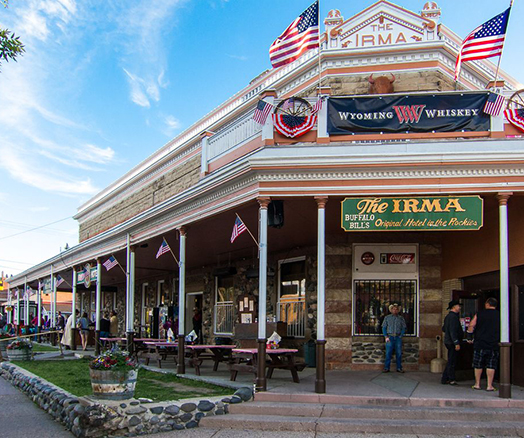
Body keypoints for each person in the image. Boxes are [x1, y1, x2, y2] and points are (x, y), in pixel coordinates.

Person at [467, 297, 500, 392]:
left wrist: (469, 337)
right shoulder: (500, 315)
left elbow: (471, 325)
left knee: (478, 364)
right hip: (493, 343)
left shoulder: (480, 314)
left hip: (480, 343)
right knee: (491, 365)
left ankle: (477, 384)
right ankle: (489, 385)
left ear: (487, 304)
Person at [441, 300, 463, 386]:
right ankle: (451, 378)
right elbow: (452, 331)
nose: (460, 307)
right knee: (452, 361)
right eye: (458, 306)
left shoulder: (448, 317)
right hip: (451, 342)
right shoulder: (453, 317)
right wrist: (456, 342)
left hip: (448, 341)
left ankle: (445, 378)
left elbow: (444, 328)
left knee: (451, 360)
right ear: (454, 307)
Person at [382, 303, 407, 373]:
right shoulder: (387, 318)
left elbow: (403, 327)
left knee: (398, 353)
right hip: (390, 336)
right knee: (388, 353)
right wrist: (386, 336)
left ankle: (399, 367)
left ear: (398, 310)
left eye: (396, 309)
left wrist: (401, 335)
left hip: (397, 336)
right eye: (393, 309)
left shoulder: (401, 318)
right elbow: (384, 327)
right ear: (391, 310)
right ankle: (386, 367)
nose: (395, 310)